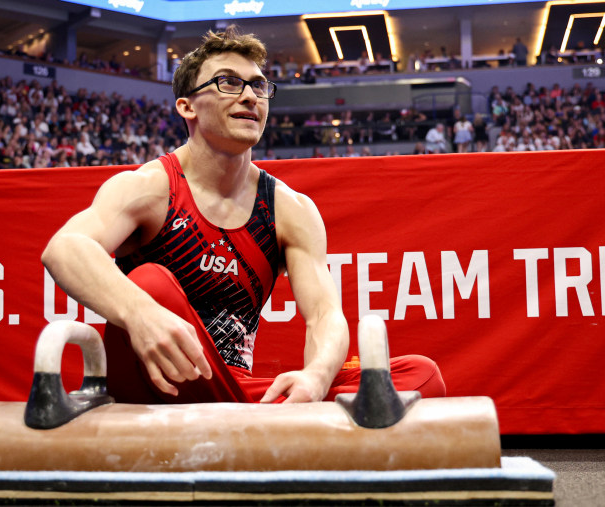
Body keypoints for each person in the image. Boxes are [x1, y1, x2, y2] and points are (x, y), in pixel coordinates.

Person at [41, 26, 445, 406]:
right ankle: (278, 431)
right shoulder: (151, 187)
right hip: (155, 380)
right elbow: (64, 248)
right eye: (229, 83)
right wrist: (139, 313)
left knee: (420, 376)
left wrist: (316, 378)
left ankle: (265, 422)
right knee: (150, 283)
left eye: (257, 86)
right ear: (187, 106)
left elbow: (324, 314)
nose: (250, 96)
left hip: (234, 390)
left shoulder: (289, 208)